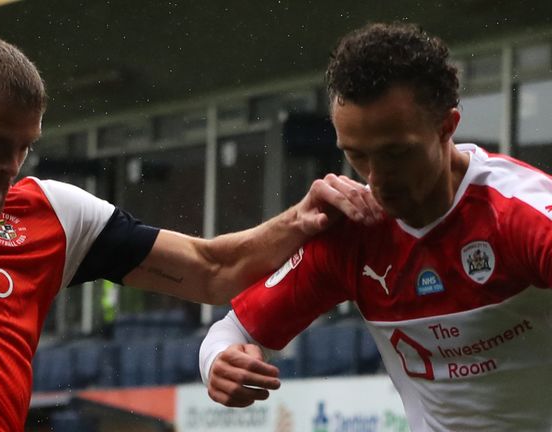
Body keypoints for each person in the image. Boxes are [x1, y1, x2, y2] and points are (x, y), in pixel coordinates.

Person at [0, 34, 378, 431]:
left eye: (24, 147)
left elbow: (210, 269)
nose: (10, 166)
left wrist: (300, 219)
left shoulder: (54, 214)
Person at [200, 22, 552, 431]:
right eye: (357, 155)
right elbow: (232, 330)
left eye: (396, 154)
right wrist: (218, 363)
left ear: (446, 126)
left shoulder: (519, 214)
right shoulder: (356, 231)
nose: (377, 178)